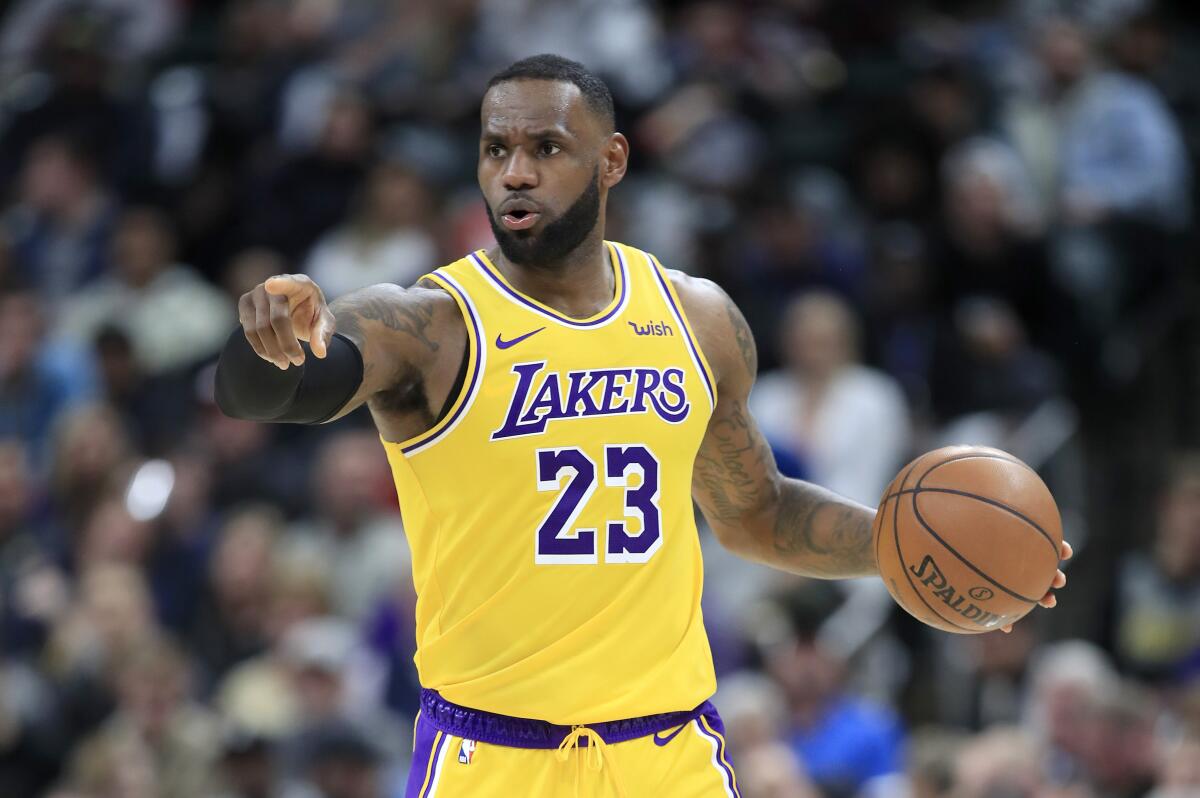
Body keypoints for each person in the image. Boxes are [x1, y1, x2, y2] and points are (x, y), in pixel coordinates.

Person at [216, 54, 1069, 796]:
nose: (516, 172)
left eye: (547, 147)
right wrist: (266, 339)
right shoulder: (429, 323)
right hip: (495, 757)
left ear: (612, 159)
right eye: (496, 149)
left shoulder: (696, 318)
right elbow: (271, 392)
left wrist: (909, 549)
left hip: (667, 753)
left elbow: (756, 512)